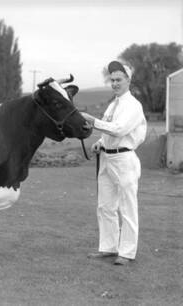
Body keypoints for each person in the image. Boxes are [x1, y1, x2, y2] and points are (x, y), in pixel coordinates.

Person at [81, 60, 147, 265]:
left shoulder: (133, 105)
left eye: (119, 79)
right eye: (112, 80)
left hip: (124, 159)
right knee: (105, 206)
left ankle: (127, 252)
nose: (115, 83)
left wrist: (93, 121)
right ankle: (109, 248)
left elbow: (119, 129)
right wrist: (100, 143)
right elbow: (110, 131)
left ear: (128, 80)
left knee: (127, 207)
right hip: (107, 157)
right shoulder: (112, 104)